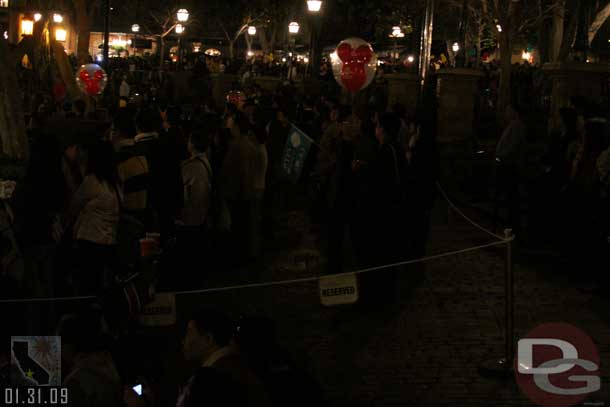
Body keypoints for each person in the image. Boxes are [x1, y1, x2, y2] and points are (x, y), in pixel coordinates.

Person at [177, 309, 270, 407]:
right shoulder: (238, 367)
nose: (183, 341)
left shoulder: (214, 377)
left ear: (208, 339)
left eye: (189, 333)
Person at [65, 140, 121, 295]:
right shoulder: (115, 182)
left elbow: (73, 205)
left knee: (89, 283)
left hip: (90, 239)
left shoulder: (92, 181)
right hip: (109, 238)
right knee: (102, 283)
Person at [57, 314, 123, 407]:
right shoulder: (110, 368)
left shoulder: (74, 383)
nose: (59, 350)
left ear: (69, 345)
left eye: (61, 344)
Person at [495, 105, 527, 234]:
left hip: (510, 165)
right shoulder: (513, 125)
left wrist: (501, 157)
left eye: (508, 111)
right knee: (509, 193)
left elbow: (512, 146)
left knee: (512, 193)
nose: (506, 114)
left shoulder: (517, 126)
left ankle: (513, 221)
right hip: (507, 164)